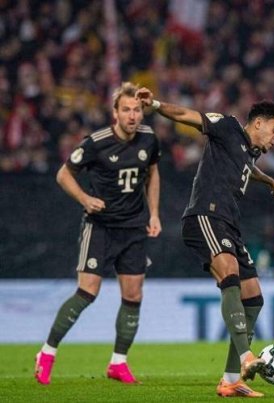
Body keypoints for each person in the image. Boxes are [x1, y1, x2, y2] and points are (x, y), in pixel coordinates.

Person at [135, 87, 274, 398]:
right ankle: (246, 357)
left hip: (229, 225)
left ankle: (231, 380)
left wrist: (269, 180)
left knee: (253, 297)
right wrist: (155, 104)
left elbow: (247, 168)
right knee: (229, 272)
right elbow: (185, 115)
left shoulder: (249, 152)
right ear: (258, 123)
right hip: (206, 215)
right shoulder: (227, 126)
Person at [34, 82, 162, 385]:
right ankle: (47, 353)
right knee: (87, 292)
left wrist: (154, 213)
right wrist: (85, 198)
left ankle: (118, 363)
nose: (132, 115)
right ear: (115, 113)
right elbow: (63, 174)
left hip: (134, 228)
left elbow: (153, 174)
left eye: (137, 110)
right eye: (126, 110)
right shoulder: (96, 143)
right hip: (101, 227)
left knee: (133, 295)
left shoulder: (149, 139)